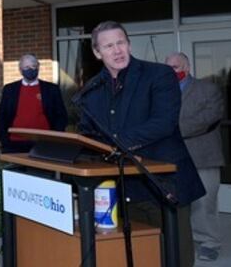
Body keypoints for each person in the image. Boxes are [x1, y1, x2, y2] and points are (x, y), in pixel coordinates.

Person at [77, 21, 205, 267]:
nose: (117, 50)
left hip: (164, 185)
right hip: (123, 187)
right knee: (139, 255)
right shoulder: (92, 89)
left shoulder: (159, 74)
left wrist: (115, 144)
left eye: (120, 43)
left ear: (129, 44)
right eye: (108, 46)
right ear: (97, 52)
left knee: (174, 256)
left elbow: (163, 123)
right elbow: (87, 134)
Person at [166, 52, 225, 262]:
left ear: (187, 67)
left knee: (205, 201)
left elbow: (210, 117)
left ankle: (209, 241)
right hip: (172, 157)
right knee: (178, 202)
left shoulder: (207, 89)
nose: (171, 71)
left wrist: (170, 130)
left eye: (175, 66)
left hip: (203, 155)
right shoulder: (163, 92)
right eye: (168, 67)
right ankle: (185, 238)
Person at [0, 53, 68, 153]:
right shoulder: (9, 90)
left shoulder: (51, 89)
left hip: (44, 143)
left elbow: (61, 115)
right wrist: (4, 140)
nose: (30, 69)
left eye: (33, 66)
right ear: (20, 70)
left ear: (38, 67)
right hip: (14, 143)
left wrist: (55, 138)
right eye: (26, 67)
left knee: (44, 168)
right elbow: (2, 116)